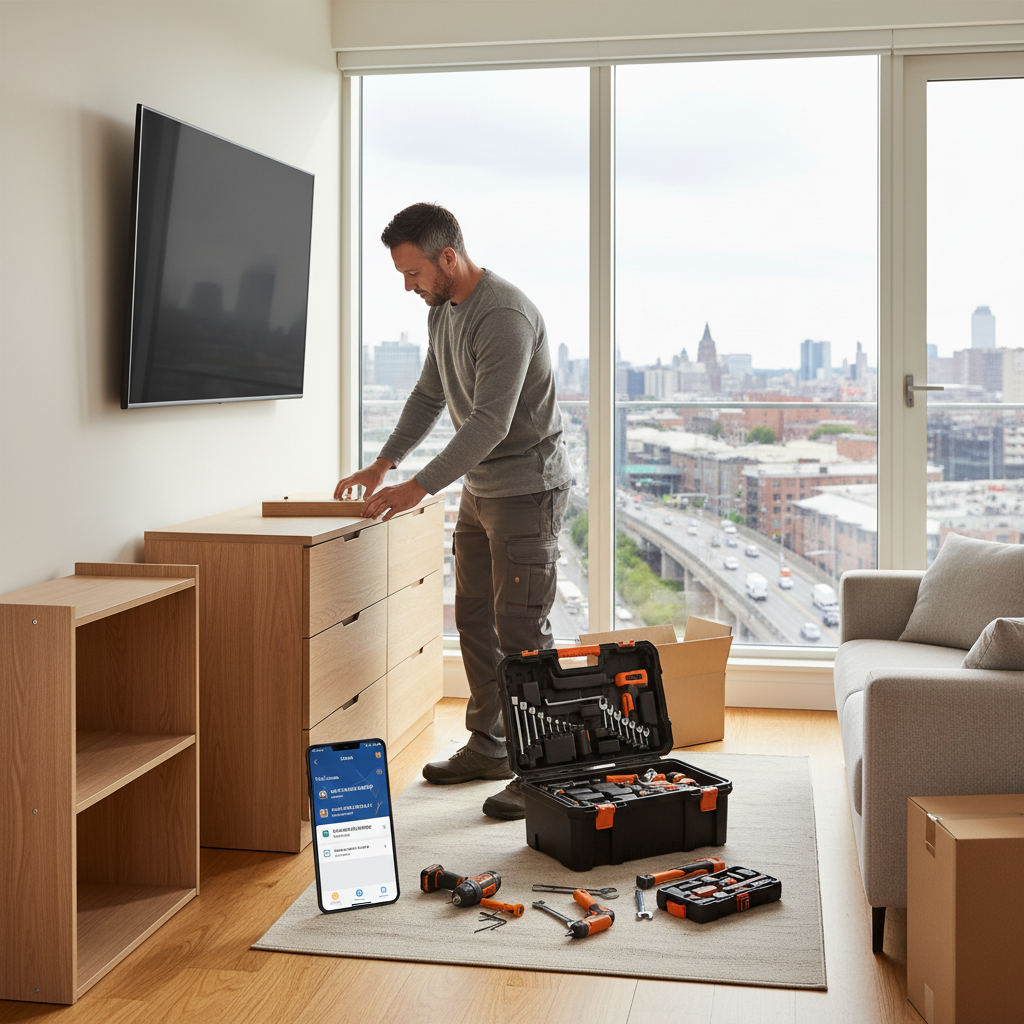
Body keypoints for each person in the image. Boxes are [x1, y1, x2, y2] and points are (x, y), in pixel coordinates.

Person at [334, 203, 571, 820]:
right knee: (474, 621)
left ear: (448, 257)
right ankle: (492, 746)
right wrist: (383, 463)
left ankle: (540, 770)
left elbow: (491, 421)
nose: (408, 287)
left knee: (522, 634)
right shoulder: (443, 313)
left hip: (526, 488)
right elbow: (429, 394)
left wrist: (418, 487)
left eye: (413, 273)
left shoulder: (504, 314)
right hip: (483, 490)